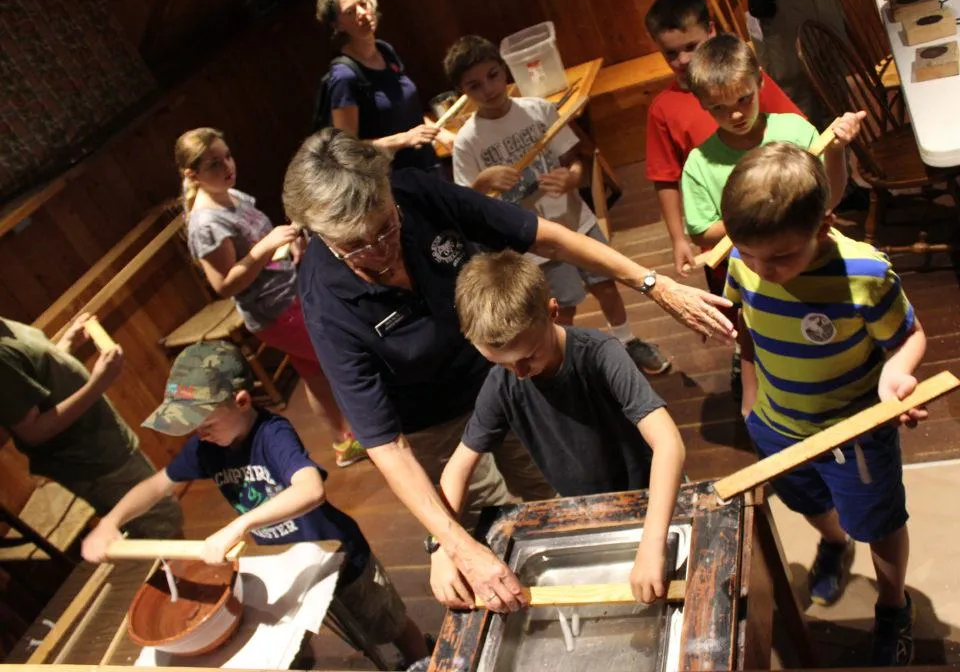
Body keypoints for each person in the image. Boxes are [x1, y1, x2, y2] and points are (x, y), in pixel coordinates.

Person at [282, 128, 735, 612]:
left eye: (387, 227)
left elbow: (547, 238)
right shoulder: (325, 301)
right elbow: (385, 444)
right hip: (431, 414)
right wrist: (448, 544)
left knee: (542, 487)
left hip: (497, 371)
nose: (380, 250)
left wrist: (653, 284)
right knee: (475, 522)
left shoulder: (418, 193)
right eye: (357, 246)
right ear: (317, 233)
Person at [80, 341, 429, 667]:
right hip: (284, 563)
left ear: (243, 402)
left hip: (338, 556)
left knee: (389, 625)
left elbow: (309, 490)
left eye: (206, 425)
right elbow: (157, 485)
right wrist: (112, 520)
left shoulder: (272, 434)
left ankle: (422, 659)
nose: (200, 435)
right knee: (295, 641)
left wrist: (238, 525)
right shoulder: (208, 446)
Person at [723, 142, 923, 666]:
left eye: (782, 257)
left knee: (878, 522)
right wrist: (749, 396)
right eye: (751, 254)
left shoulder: (865, 272)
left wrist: (897, 374)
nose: (764, 270)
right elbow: (745, 327)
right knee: (806, 500)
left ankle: (892, 604)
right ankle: (834, 542)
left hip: (853, 431)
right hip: (775, 422)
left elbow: (909, 336)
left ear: (824, 222)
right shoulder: (745, 261)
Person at [431, 249, 685, 608]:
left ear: (552, 312)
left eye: (528, 357)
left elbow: (668, 443)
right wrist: (442, 546)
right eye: (501, 363)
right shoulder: (502, 382)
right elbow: (457, 469)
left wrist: (652, 541)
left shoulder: (601, 354)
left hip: (654, 499)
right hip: (586, 510)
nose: (518, 372)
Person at [442, 35, 670, 375]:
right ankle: (567, 358)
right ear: (464, 93)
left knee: (605, 284)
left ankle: (626, 342)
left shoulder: (540, 110)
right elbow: (467, 202)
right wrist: (485, 181)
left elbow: (576, 162)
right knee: (560, 306)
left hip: (575, 219)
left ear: (504, 71)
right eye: (474, 86)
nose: (489, 88)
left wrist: (571, 178)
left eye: (493, 75)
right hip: (532, 239)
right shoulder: (467, 142)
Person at [681, 34, 864, 399]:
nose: (735, 113)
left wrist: (837, 151)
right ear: (701, 103)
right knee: (775, 349)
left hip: (816, 263)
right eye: (718, 107)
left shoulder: (794, 131)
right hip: (758, 279)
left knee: (838, 339)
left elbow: (830, 198)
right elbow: (702, 234)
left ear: (760, 81)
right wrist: (765, 213)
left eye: (744, 99)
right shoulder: (699, 164)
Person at [175, 127, 366, 468]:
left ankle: (344, 443)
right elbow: (225, 285)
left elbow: (261, 242)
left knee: (315, 374)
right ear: (193, 175)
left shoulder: (231, 195)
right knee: (345, 354)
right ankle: (380, 424)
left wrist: (286, 242)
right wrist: (267, 245)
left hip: (289, 292)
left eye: (227, 156)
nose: (227, 167)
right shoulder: (206, 224)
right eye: (214, 164)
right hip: (276, 311)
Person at [643, 0, 802, 279]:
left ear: (711, 31)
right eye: (670, 53)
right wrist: (678, 238)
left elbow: (795, 130)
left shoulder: (744, 84)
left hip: (785, 218)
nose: (682, 60)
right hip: (729, 244)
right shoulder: (662, 109)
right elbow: (665, 178)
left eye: (691, 46)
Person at [0, 314, 182, 539]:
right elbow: (33, 431)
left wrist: (64, 345)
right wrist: (99, 383)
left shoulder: (4, 328)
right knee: (160, 524)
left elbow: (35, 376)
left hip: (102, 445)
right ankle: (177, 572)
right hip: (91, 461)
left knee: (159, 512)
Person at [315, 0, 453, 172]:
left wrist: (439, 133)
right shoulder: (344, 77)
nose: (362, 13)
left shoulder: (385, 51)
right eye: (350, 12)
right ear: (337, 25)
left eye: (363, 4)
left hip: (427, 165)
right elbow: (347, 151)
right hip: (393, 181)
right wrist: (404, 139)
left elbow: (407, 114)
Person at [742, 0, 848, 127]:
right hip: (782, 2)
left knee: (836, 83)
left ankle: (842, 151)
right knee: (799, 96)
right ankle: (810, 153)